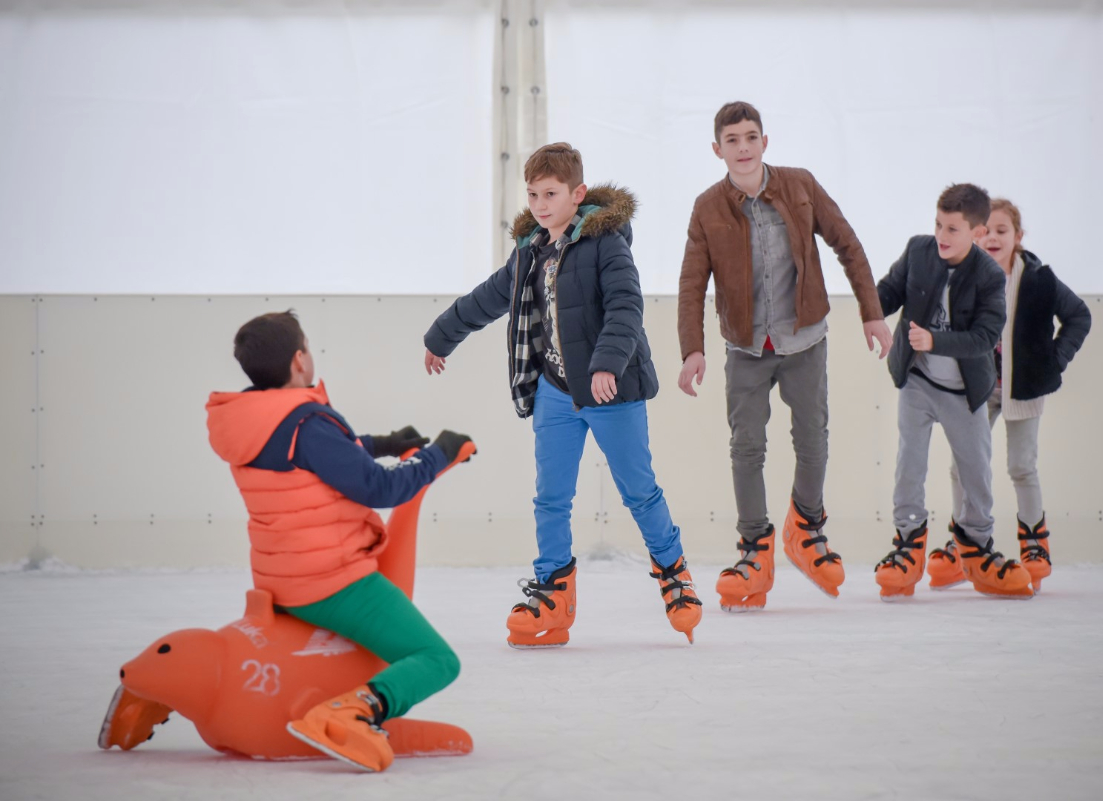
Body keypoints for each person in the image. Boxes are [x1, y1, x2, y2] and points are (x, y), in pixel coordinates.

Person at [423, 142, 702, 647]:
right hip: (555, 391)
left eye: (550, 194)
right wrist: (441, 337)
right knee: (551, 497)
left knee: (639, 491)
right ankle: (553, 594)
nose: (540, 205)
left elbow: (625, 307)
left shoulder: (606, 244)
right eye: (532, 194)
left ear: (577, 194)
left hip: (612, 390)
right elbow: (488, 298)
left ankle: (674, 573)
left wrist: (606, 363)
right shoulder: (530, 251)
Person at [206, 310, 471, 772]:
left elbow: (314, 458)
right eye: (307, 347)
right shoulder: (306, 423)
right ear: (299, 360)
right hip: (332, 582)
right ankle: (352, 713)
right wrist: (436, 455)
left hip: (277, 580)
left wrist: (382, 443)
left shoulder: (252, 421)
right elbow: (381, 489)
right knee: (436, 659)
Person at [677, 100, 892, 611]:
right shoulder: (708, 207)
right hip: (746, 347)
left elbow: (848, 245)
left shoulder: (800, 186)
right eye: (732, 140)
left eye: (751, 137)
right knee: (746, 447)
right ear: (717, 150)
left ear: (765, 142)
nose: (743, 148)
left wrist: (873, 313)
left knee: (812, 438)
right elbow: (691, 284)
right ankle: (755, 550)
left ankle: (807, 528)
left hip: (804, 341)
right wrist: (692, 350)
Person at [873, 183, 1035, 600]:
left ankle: (976, 545)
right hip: (917, 381)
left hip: (964, 392)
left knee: (975, 471)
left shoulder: (989, 276)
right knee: (909, 464)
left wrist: (935, 340)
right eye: (938, 225)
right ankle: (908, 544)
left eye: (953, 229)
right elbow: (888, 291)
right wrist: (867, 308)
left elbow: (985, 337)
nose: (941, 236)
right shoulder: (919, 250)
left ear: (977, 233)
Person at [927, 198, 1091, 593]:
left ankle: (1034, 544)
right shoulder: (962, 277)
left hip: (1024, 387)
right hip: (978, 389)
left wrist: (1053, 361)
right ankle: (963, 541)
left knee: (1022, 466)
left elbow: (1078, 316)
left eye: (1003, 231)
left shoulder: (1039, 279)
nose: (993, 238)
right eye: (986, 231)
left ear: (1018, 237)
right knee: (961, 466)